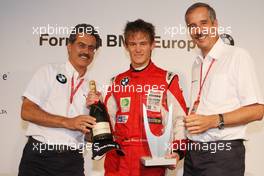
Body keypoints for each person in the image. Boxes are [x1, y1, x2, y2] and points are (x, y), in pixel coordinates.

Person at [88, 19, 187, 176]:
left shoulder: (167, 79)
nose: (138, 49)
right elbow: (107, 122)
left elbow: (180, 119)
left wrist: (178, 151)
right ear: (126, 46)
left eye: (143, 43)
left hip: (151, 158)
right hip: (118, 160)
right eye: (133, 44)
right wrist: (96, 105)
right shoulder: (117, 81)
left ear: (153, 44)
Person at [184, 2, 264, 176]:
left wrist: (213, 121)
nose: (198, 30)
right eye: (192, 26)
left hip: (222, 154)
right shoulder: (196, 64)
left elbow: (258, 110)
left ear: (215, 25)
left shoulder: (237, 56)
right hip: (193, 153)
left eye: (203, 23)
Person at [18, 24, 101, 176]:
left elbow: (89, 136)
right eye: (81, 45)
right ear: (69, 46)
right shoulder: (48, 71)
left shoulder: (92, 90)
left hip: (72, 160)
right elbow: (27, 111)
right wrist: (68, 122)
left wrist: (97, 132)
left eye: (91, 48)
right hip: (39, 157)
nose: (86, 51)